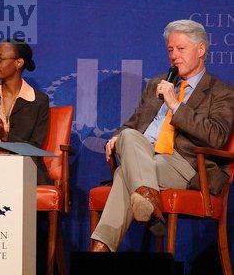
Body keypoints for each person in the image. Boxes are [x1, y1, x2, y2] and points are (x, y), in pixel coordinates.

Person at [90, 20, 234, 252]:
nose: (174, 56)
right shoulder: (158, 83)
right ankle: (148, 199)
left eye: (181, 49)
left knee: (124, 172)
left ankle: (100, 249)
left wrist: (175, 105)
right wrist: (116, 137)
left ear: (200, 50)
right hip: (146, 155)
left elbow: (216, 136)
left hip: (185, 165)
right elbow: (133, 124)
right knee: (127, 135)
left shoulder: (221, 92)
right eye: (170, 50)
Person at [0, 39, 51, 184]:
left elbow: (35, 148)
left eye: (0, 59)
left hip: (24, 170)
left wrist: (5, 136)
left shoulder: (39, 101)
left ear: (18, 63)